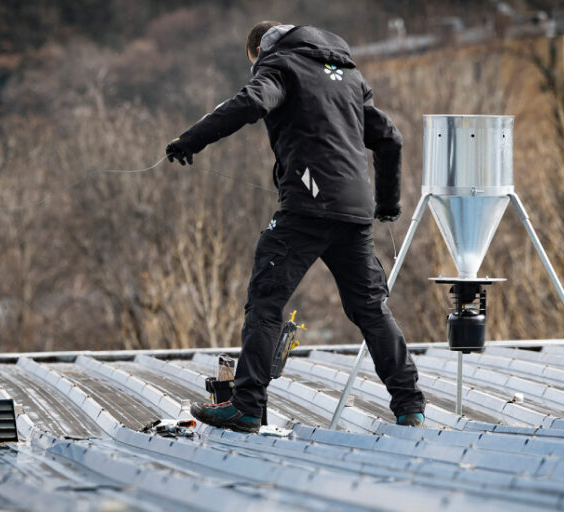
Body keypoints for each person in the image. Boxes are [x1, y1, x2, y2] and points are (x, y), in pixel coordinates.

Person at [166, 21, 425, 433]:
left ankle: (246, 407)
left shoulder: (281, 66)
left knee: (266, 302)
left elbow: (251, 102)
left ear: (257, 51)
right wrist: (388, 204)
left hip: (306, 207)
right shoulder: (350, 76)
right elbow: (390, 138)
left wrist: (191, 140)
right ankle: (410, 407)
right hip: (355, 212)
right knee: (371, 310)